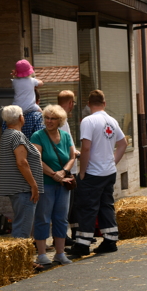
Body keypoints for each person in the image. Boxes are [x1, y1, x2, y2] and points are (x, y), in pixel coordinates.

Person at [69, 90, 127, 257]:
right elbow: (123, 144)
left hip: (93, 173)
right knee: (105, 205)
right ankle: (110, 240)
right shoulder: (112, 121)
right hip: (108, 172)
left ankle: (82, 244)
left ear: (88, 104)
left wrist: (82, 171)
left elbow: (86, 148)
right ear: (104, 103)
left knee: (87, 207)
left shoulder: (88, 121)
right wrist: (112, 162)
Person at [0, 105, 45, 269]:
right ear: (20, 118)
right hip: (23, 188)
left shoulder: (7, 134)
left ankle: (22, 261)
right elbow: (22, 162)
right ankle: (20, 264)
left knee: (21, 224)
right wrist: (33, 185)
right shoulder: (17, 136)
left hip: (17, 188)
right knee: (23, 227)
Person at [30, 105, 75, 267]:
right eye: (47, 118)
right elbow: (36, 159)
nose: (49, 121)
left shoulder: (65, 136)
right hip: (45, 184)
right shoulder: (37, 136)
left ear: (60, 121)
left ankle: (60, 253)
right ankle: (42, 254)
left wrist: (63, 172)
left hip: (64, 184)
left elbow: (72, 157)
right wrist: (54, 175)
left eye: (53, 118)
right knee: (42, 218)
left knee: (61, 218)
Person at [57, 90, 81, 245]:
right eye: (73, 103)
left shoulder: (60, 118)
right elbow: (65, 144)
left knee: (71, 206)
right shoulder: (62, 120)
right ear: (70, 103)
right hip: (67, 169)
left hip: (66, 168)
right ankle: (63, 237)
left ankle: (74, 234)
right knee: (66, 205)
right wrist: (76, 152)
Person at [10, 59, 45, 138]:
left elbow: (14, 81)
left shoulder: (14, 81)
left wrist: (15, 75)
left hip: (17, 107)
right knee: (42, 115)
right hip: (31, 106)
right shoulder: (32, 81)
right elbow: (41, 83)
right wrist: (36, 79)